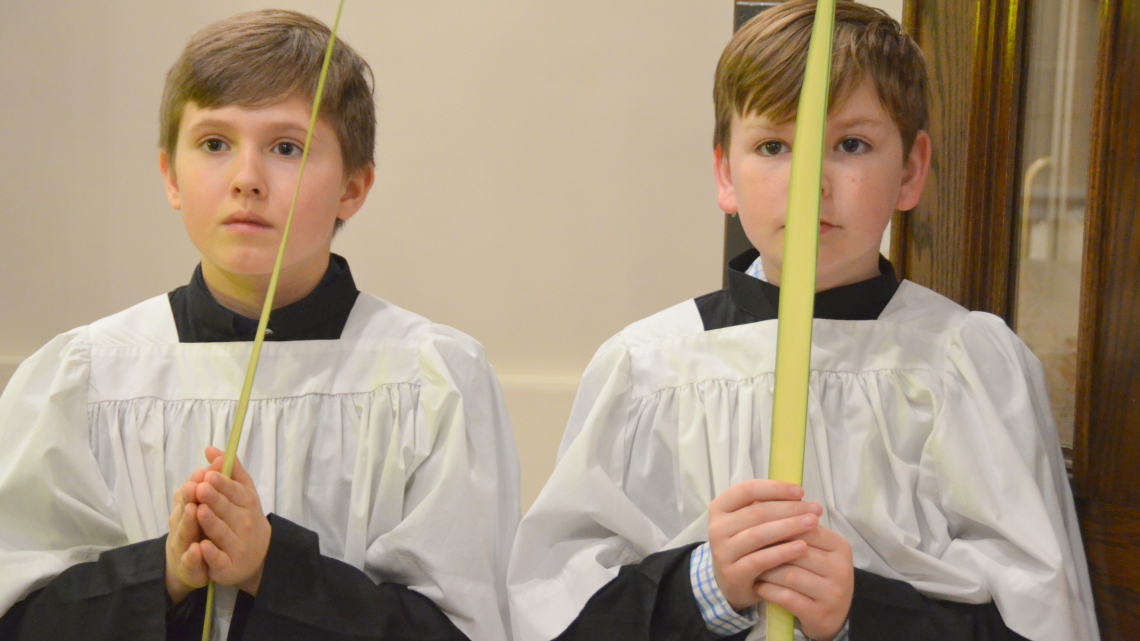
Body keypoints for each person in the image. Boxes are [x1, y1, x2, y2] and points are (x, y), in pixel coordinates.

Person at [506, 1, 1099, 640]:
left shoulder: (968, 366)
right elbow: (559, 617)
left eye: (850, 144)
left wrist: (861, 612)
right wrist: (704, 586)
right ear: (724, 173)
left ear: (911, 171)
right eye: (773, 146)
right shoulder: (646, 369)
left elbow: (1044, 620)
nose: (810, 181)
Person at [0, 10, 519, 641]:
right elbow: (21, 619)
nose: (246, 180)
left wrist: (272, 570)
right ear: (170, 175)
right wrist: (162, 574)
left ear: (354, 187)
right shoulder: (84, 379)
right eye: (214, 144)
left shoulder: (433, 379)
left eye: (286, 148)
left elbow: (464, 629)